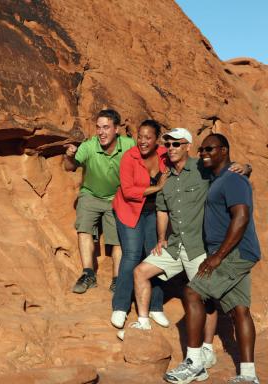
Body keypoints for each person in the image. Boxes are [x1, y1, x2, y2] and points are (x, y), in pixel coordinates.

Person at [117, 128, 250, 352]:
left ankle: (206, 348)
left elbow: (229, 171)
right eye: (168, 145)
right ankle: (143, 322)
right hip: (175, 245)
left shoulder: (202, 168)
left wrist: (246, 167)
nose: (171, 149)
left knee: (204, 299)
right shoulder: (165, 176)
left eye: (176, 144)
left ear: (187, 146)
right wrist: (161, 238)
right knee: (140, 272)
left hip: (198, 247)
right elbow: (162, 210)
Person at [164, 134, 261, 384]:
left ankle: (195, 363)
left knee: (192, 293)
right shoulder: (218, 178)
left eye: (210, 148)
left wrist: (218, 256)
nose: (204, 152)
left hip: (233, 253)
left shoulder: (232, 179)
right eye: (202, 148)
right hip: (237, 252)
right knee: (240, 311)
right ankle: (248, 375)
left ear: (225, 151)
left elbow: (241, 217)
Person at [64, 109, 135, 293]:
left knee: (118, 238)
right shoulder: (89, 146)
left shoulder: (128, 145)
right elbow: (69, 167)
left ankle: (117, 279)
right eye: (98, 128)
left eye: (106, 127)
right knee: (84, 228)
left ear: (116, 129)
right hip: (90, 194)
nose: (101, 132)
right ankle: (88, 274)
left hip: (116, 197)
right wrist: (69, 156)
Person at [110, 120, 169, 329]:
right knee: (133, 254)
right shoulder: (130, 157)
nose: (142, 141)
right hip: (129, 210)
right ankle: (120, 306)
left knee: (155, 255)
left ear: (156, 140)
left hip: (154, 213)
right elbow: (128, 191)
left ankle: (155, 307)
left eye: (148, 137)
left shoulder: (165, 154)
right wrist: (158, 187)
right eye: (140, 136)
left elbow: (188, 163)